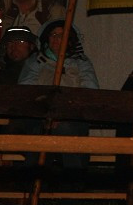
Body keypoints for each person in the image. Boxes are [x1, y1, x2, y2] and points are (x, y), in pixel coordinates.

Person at [17, 19, 99, 175]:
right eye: (53, 34)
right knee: (40, 133)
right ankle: (31, 180)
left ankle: (74, 179)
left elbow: (90, 91)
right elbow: (26, 92)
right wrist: (47, 115)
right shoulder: (35, 62)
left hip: (73, 117)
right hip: (39, 117)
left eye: (62, 35)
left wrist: (63, 115)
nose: (57, 39)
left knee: (66, 130)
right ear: (47, 38)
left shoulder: (81, 63)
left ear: (70, 40)